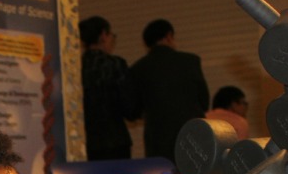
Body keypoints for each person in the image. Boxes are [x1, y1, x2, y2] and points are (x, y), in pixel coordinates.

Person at [129, 19, 210, 163]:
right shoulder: (190, 61)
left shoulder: (139, 68)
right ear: (169, 35)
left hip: (158, 138)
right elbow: (204, 100)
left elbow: (133, 110)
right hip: (192, 133)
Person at [79, 16, 137, 160]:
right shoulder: (115, 65)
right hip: (115, 141)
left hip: (86, 143)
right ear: (104, 35)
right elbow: (130, 108)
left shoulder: (74, 68)